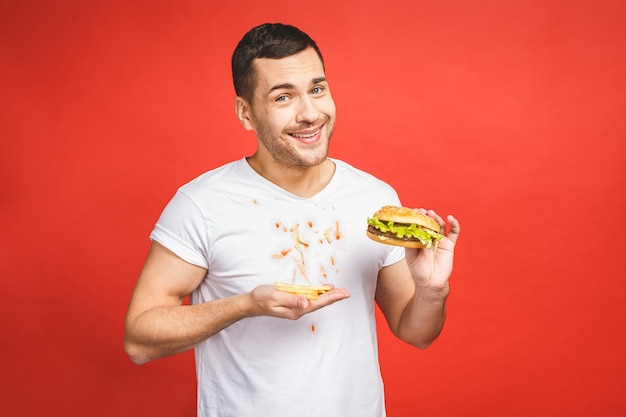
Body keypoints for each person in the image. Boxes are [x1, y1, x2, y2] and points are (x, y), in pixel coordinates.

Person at [124, 23, 461, 417]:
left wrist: (432, 289)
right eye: (283, 97)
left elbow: (417, 332)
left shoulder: (375, 199)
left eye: (317, 90)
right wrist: (246, 305)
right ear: (245, 113)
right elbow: (139, 339)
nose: (310, 113)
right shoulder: (202, 204)